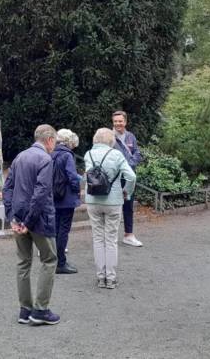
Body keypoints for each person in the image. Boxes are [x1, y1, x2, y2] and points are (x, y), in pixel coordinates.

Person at [3, 124, 61, 325]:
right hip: (39, 219)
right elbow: (41, 192)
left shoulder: (20, 157)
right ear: (50, 140)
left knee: (23, 262)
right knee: (49, 259)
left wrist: (12, 217)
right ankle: (41, 309)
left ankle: (25, 309)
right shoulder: (45, 159)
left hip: (19, 218)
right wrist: (28, 221)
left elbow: (8, 187)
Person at [84, 127, 136, 289]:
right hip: (113, 201)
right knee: (111, 239)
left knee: (98, 239)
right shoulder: (117, 155)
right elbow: (131, 176)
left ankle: (100, 277)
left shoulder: (88, 154)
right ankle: (111, 278)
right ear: (111, 140)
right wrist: (127, 191)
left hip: (93, 200)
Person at [51, 129, 82, 274]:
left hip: (53, 195)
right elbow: (72, 176)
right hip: (66, 198)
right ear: (68, 141)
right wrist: (77, 190)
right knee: (63, 230)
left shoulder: (51, 152)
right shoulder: (67, 155)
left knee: (56, 229)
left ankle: (53, 260)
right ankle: (61, 263)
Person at [111, 111, 143, 247]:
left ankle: (128, 235)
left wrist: (129, 165)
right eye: (116, 121)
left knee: (128, 206)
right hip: (115, 178)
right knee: (113, 206)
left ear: (125, 122)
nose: (118, 123)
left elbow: (137, 153)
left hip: (129, 177)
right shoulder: (108, 137)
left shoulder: (131, 136)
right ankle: (111, 236)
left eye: (120, 121)